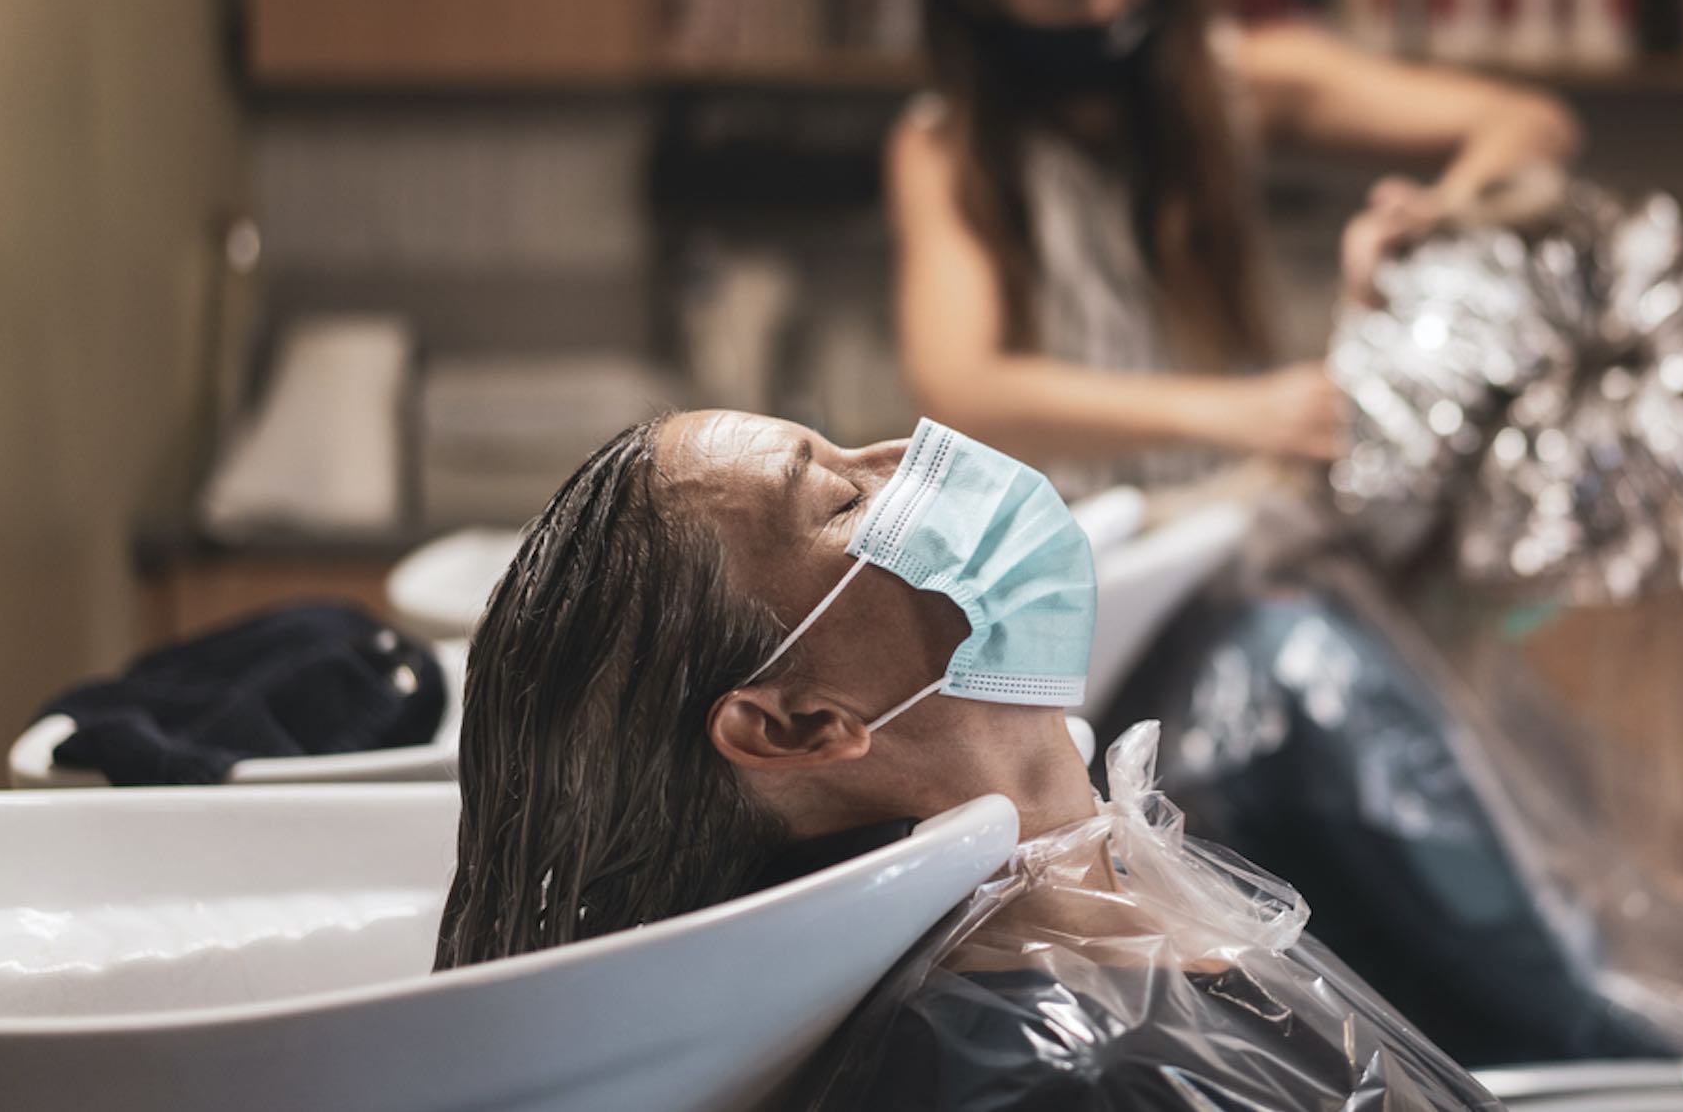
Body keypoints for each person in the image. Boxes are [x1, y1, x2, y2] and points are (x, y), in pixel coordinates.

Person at [435, 410, 1494, 1111]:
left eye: (851, 451)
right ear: (798, 726)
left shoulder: (1098, 911)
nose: (905, 457)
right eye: (842, 501)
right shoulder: (1050, 1076)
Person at [889, 0, 1581, 498]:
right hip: (1069, 548)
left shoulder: (1237, 79)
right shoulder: (942, 148)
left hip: (1236, 521)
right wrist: (1236, 412)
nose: (1107, 13)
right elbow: (960, 388)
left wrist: (1437, 213)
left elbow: (1528, 121)